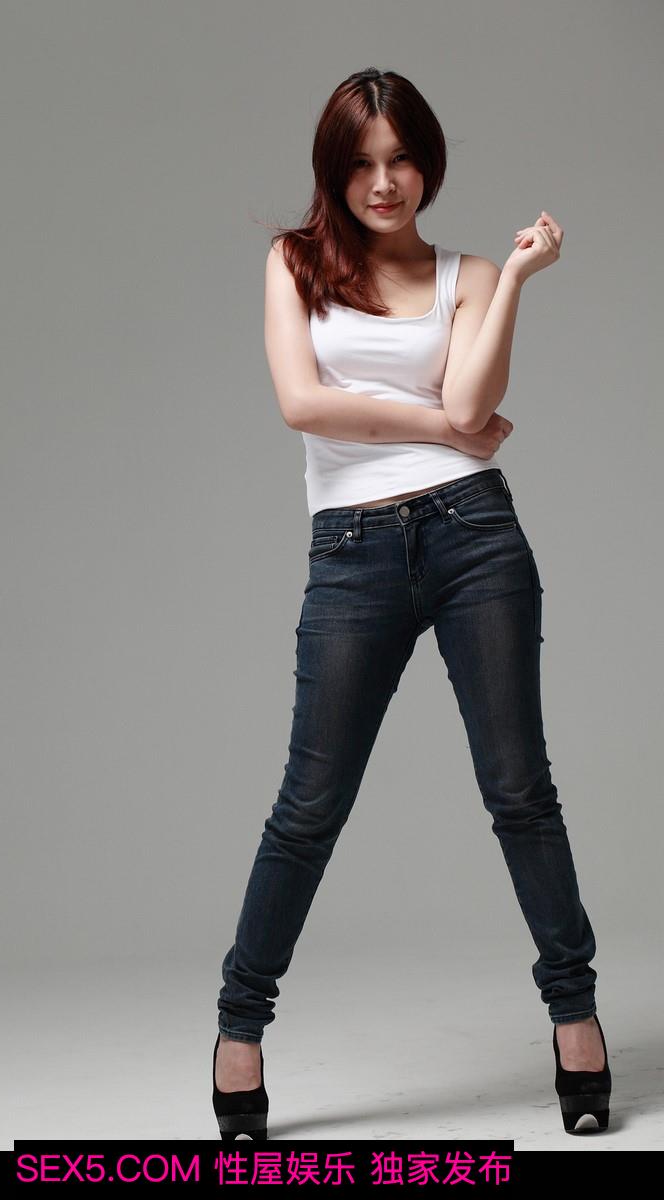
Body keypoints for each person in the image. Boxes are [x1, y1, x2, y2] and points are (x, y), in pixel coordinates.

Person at [212, 68, 610, 1141]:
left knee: (519, 791)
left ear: (426, 163)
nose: (382, 183)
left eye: (399, 161)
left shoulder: (466, 275)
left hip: (475, 534)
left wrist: (516, 277)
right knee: (309, 804)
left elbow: (477, 401)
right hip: (351, 551)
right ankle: (239, 1028)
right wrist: (436, 426)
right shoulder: (293, 263)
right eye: (360, 164)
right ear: (333, 172)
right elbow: (302, 403)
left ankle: (575, 1020)